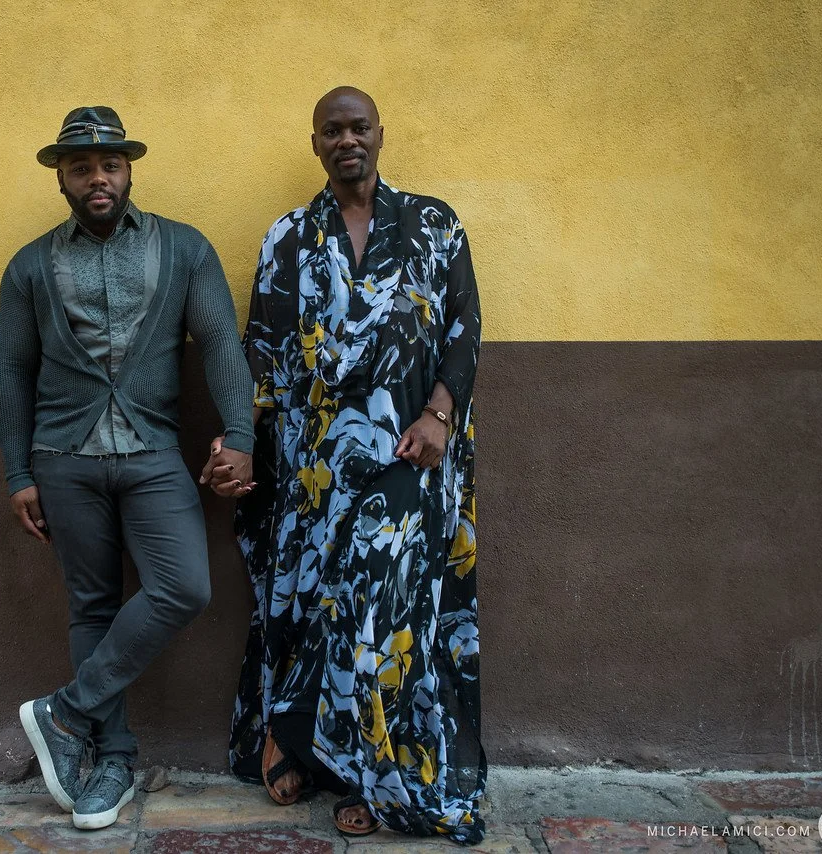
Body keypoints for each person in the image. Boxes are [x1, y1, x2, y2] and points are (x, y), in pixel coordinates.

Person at [206, 87, 485, 842]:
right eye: (331, 130)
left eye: (357, 127)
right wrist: (239, 441)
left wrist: (437, 413)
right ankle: (297, 741)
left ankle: (369, 766)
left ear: (380, 135)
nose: (346, 140)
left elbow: (463, 325)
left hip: (408, 451)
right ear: (315, 145)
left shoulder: (434, 225)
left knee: (381, 609)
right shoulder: (288, 237)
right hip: (314, 463)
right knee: (315, 599)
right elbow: (259, 353)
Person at [0, 106, 254, 831]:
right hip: (62, 459)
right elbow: (13, 373)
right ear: (61, 179)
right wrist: (18, 472)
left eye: (109, 163)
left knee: (182, 586)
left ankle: (63, 713)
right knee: (91, 607)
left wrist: (241, 435)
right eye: (81, 167)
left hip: (151, 454)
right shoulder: (29, 265)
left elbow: (219, 344)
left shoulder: (184, 249)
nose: (97, 177)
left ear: (129, 169)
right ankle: (110, 761)